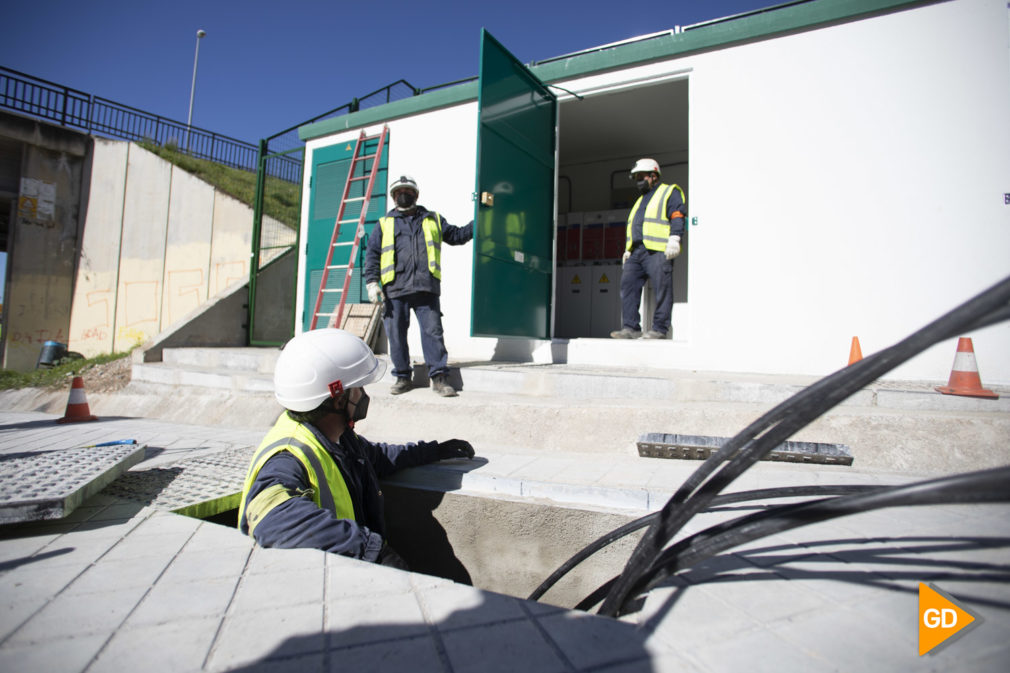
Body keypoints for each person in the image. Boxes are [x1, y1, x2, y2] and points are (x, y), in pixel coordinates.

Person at [238, 328, 475, 568]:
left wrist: (434, 451)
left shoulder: (339, 438)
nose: (363, 395)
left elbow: (377, 457)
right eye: (359, 388)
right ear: (339, 399)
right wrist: (371, 550)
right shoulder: (289, 456)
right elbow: (271, 517)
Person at [363, 175, 473, 397]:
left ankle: (439, 378)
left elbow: (457, 235)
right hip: (394, 290)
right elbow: (373, 255)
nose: (404, 194)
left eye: (408, 191)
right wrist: (372, 282)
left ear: (416, 195)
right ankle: (403, 377)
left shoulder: (433, 219)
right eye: (399, 192)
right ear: (394, 197)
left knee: (433, 332)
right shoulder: (384, 224)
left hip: (426, 288)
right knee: (396, 335)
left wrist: (480, 219)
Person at [610, 158, 686, 340]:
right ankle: (630, 327)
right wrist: (628, 249)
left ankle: (659, 329)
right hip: (636, 252)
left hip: (658, 250)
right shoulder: (640, 201)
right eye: (636, 178)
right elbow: (635, 225)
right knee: (628, 287)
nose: (638, 181)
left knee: (662, 289)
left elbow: (677, 215)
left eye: (641, 176)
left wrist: (675, 238)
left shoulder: (669, 191)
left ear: (653, 176)